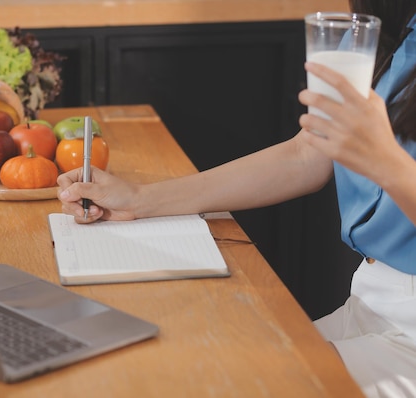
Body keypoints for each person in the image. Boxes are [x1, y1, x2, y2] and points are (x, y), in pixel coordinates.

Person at [56, 1, 416, 396]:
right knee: (197, 371)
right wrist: (140, 199)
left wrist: (387, 163)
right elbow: (308, 154)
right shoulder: (380, 29)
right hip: (369, 299)